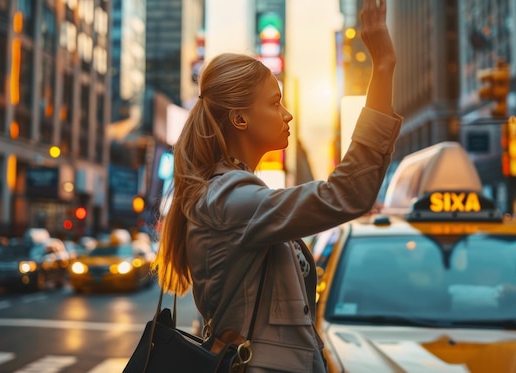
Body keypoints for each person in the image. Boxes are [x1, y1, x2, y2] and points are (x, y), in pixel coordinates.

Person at [153, 0, 400, 371]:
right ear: (240, 118)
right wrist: (382, 66)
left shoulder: (233, 195)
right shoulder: (228, 200)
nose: (287, 114)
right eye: (274, 103)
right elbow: (346, 194)